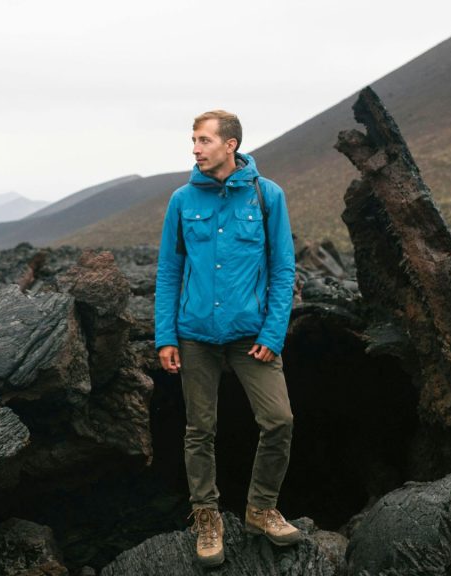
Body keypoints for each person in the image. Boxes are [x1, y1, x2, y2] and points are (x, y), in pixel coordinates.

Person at [154, 110, 299, 566]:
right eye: (193, 141)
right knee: (200, 430)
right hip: (195, 334)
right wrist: (165, 337)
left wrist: (273, 332)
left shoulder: (266, 195)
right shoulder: (182, 200)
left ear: (229, 144)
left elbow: (283, 269)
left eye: (202, 140)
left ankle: (261, 508)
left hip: (251, 336)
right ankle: (207, 518)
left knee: (279, 420)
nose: (194, 149)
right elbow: (168, 271)